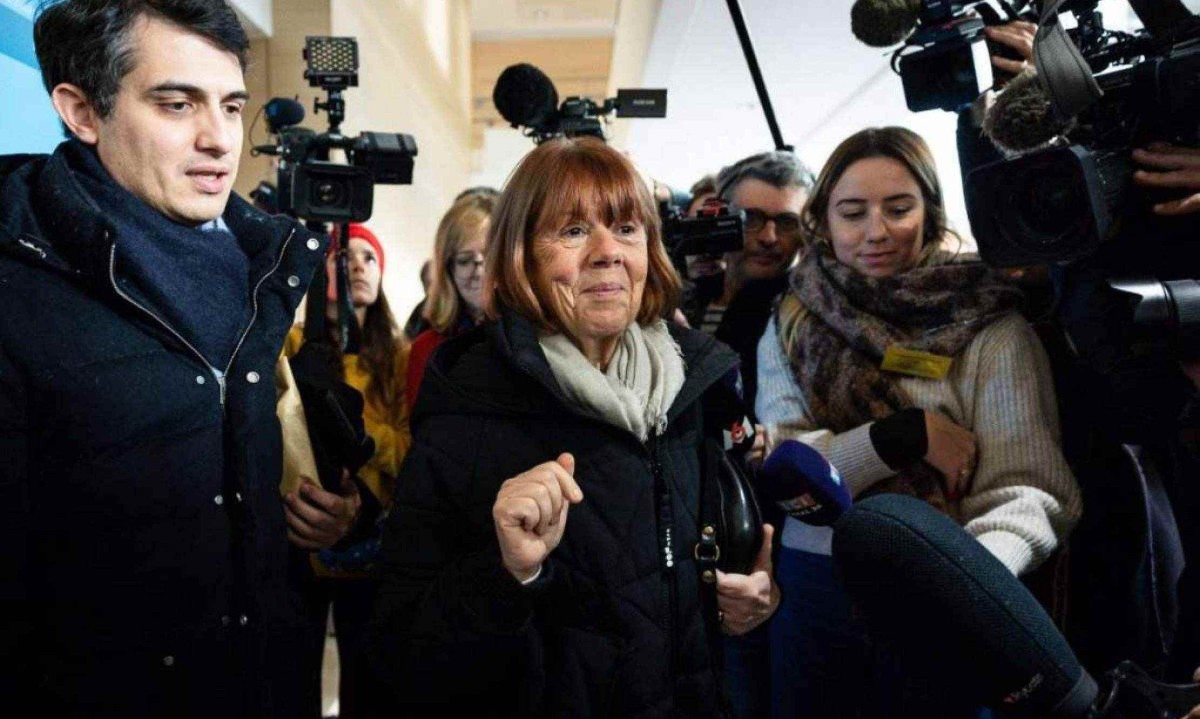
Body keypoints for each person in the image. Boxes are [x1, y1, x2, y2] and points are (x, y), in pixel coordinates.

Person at [0, 1, 348, 716]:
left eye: (230, 106)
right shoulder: (17, 286)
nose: (219, 140)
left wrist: (349, 512)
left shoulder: (270, 268)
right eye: (176, 103)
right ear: (82, 111)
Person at [367, 136, 779, 716]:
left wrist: (754, 600)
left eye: (627, 228)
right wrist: (509, 571)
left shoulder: (693, 392)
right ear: (520, 256)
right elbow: (402, 648)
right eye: (573, 231)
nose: (607, 253)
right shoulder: (469, 409)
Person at [755, 127, 1082, 717]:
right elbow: (784, 462)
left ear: (930, 214)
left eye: (898, 208)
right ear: (823, 221)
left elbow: (1031, 489)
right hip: (813, 585)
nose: (875, 231)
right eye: (852, 212)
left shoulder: (990, 326)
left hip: (955, 594)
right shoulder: (795, 319)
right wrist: (894, 439)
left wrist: (960, 578)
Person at [282, 223, 412, 718]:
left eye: (369, 258)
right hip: (299, 539)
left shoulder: (397, 357)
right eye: (345, 255)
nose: (358, 266)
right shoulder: (290, 346)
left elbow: (408, 449)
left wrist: (358, 433)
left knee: (368, 682)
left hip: (373, 549)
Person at [700, 151, 813, 414]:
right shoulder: (683, 296)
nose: (769, 237)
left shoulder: (798, 320)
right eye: (751, 218)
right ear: (721, 220)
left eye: (787, 222)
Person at [404, 191, 496, 412]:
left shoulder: (539, 337)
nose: (480, 271)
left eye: (490, 256)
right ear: (448, 270)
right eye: (465, 260)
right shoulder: (425, 349)